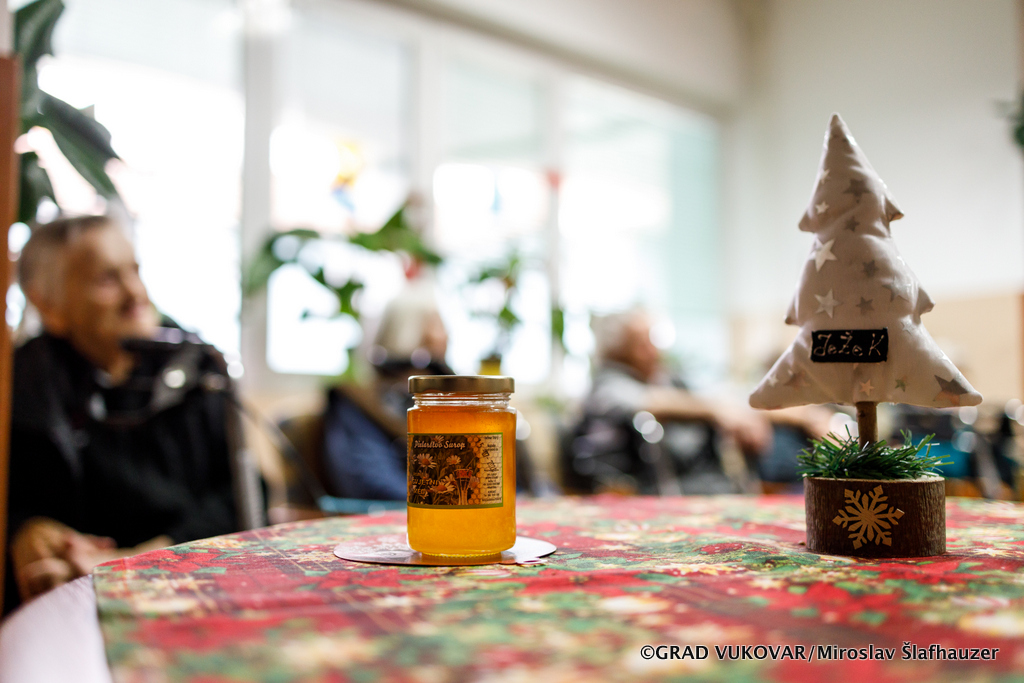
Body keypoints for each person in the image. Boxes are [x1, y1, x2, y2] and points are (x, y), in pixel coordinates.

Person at [5, 215, 240, 613]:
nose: (136, 293)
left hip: (189, 582)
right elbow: (16, 496)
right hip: (66, 599)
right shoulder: (21, 384)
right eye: (106, 280)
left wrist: (142, 560)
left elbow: (241, 495)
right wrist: (25, 532)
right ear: (48, 305)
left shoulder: (198, 368)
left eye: (135, 271)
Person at [566, 308, 828, 494]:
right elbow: (651, 402)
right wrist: (717, 412)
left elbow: (717, 398)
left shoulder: (667, 378)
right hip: (647, 487)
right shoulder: (608, 383)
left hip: (700, 477)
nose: (654, 350)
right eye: (641, 344)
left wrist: (804, 416)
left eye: (652, 341)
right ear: (617, 352)